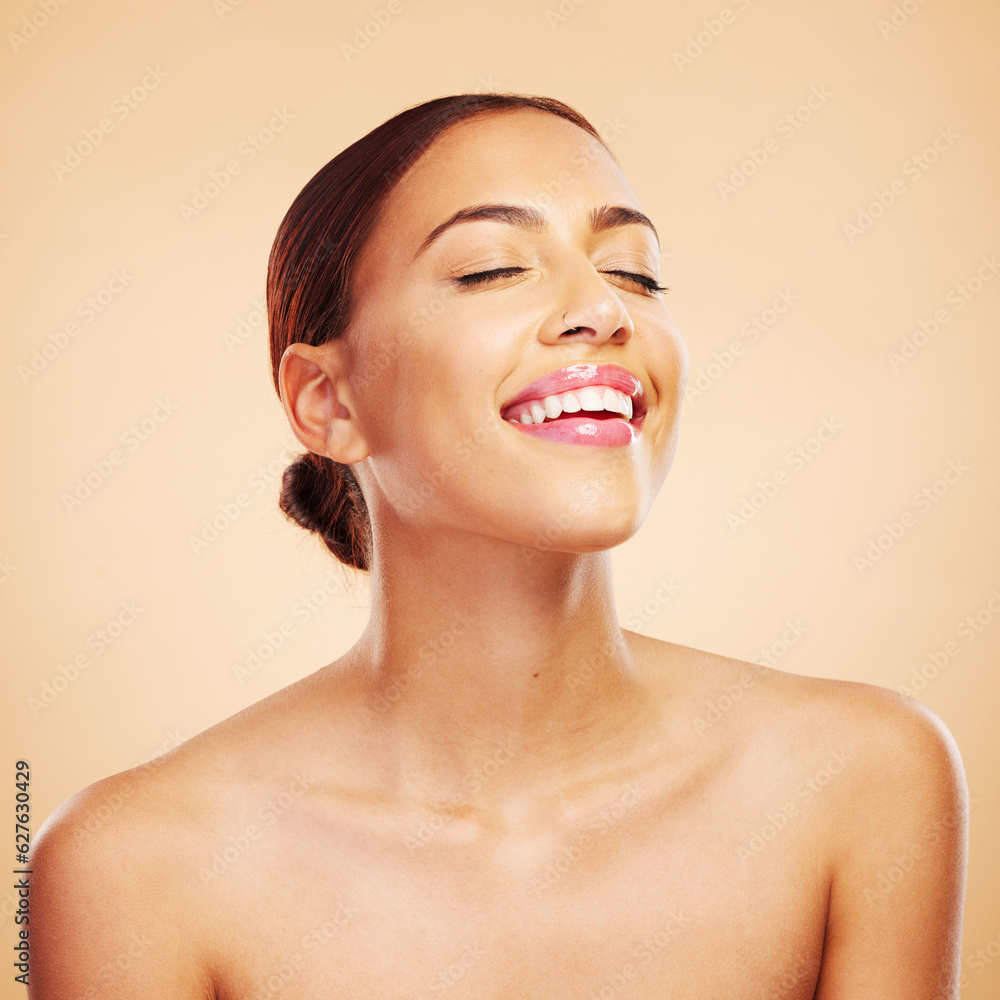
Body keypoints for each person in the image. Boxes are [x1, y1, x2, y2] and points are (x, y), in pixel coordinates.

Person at [28, 93, 968, 999]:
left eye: (634, 270)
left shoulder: (864, 780)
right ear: (329, 401)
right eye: (490, 269)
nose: (604, 309)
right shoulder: (135, 870)